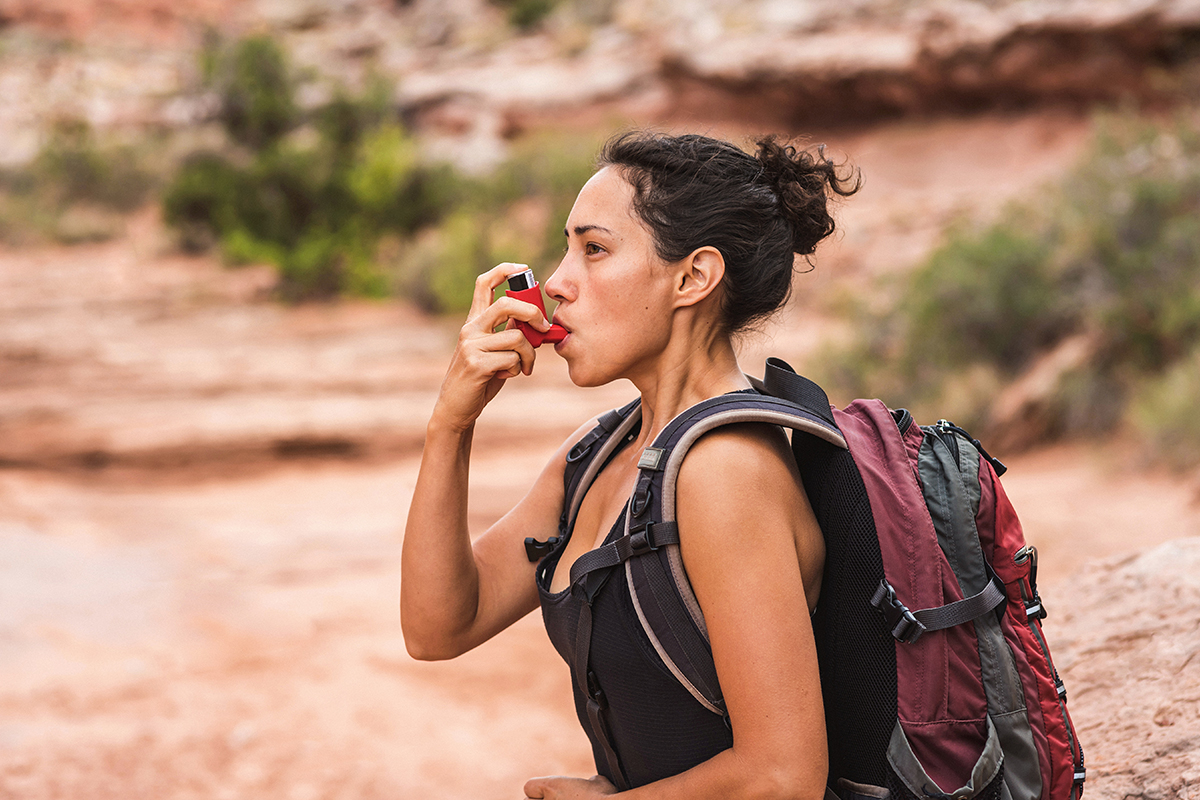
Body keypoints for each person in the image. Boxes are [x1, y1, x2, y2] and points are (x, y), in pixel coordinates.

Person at [401, 131, 859, 799]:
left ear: (693, 277)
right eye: (566, 249)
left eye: (594, 250)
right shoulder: (596, 454)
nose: (556, 283)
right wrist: (451, 424)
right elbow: (439, 625)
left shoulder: (724, 471)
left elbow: (782, 776)